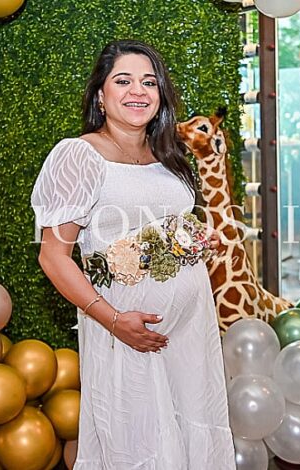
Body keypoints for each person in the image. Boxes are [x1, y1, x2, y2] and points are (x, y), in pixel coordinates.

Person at [31, 40, 235, 469]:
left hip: (189, 331)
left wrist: (197, 239)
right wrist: (113, 320)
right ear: (100, 96)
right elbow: (53, 257)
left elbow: (158, 225)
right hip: (125, 331)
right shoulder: (79, 156)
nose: (138, 91)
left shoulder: (167, 155)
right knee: (137, 442)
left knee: (192, 431)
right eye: (123, 81)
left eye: (149, 82)